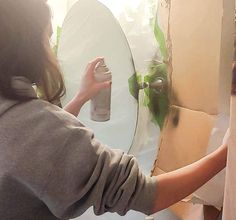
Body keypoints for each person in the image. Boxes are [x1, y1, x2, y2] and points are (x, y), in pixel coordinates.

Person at [0, 0, 228, 219]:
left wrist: (80, 98)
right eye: (47, 39)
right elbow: (148, 195)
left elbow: (36, 147)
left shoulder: (13, 115)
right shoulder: (36, 131)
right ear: (28, 48)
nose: (51, 51)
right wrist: (227, 151)